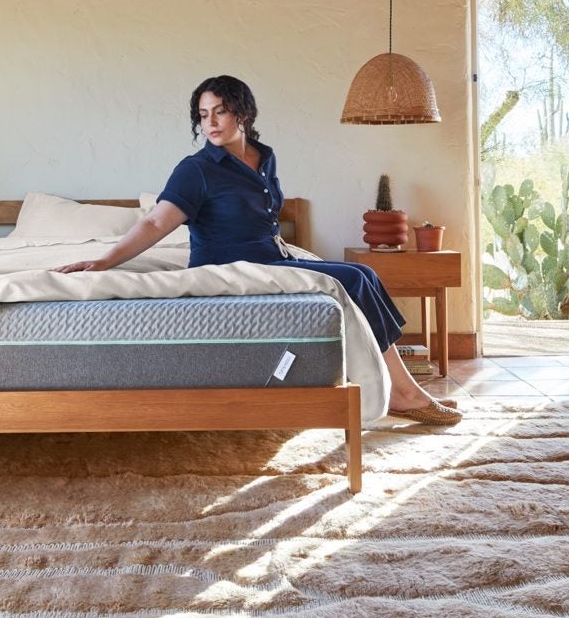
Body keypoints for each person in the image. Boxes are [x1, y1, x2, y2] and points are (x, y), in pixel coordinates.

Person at [55, 75, 462, 425]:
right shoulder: (196, 169)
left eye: (220, 111)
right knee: (354, 279)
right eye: (203, 114)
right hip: (228, 266)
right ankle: (403, 394)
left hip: (272, 258)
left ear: (243, 114)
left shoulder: (264, 158)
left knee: (365, 274)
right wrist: (104, 261)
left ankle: (399, 388)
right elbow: (155, 222)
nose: (211, 122)